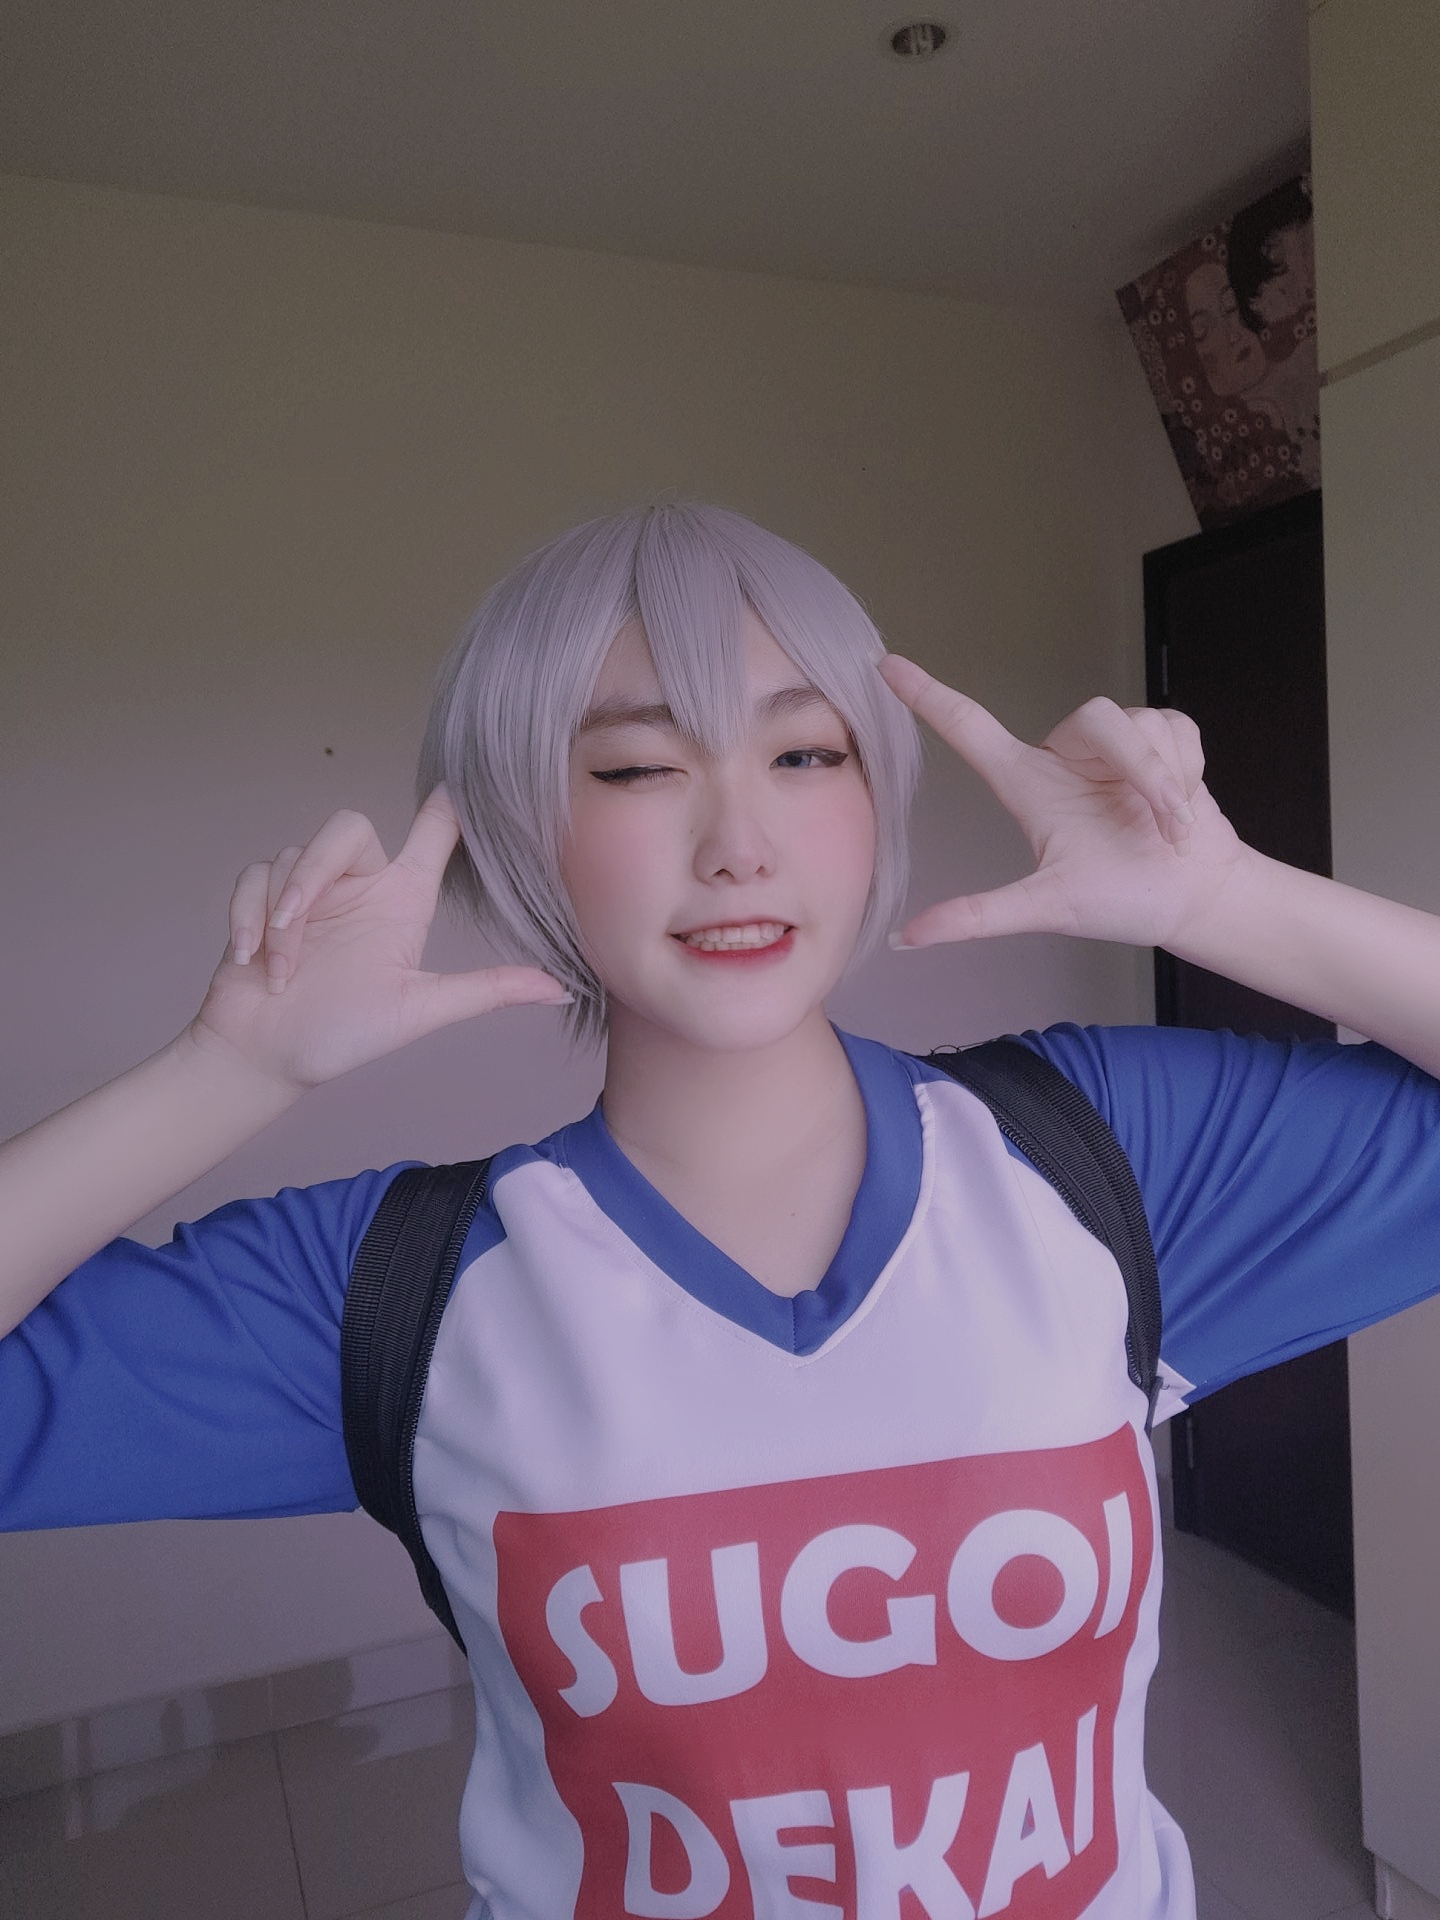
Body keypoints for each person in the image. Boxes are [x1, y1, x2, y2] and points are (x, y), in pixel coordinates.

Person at [5, 501, 1440, 1920]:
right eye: (637, 768)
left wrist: (1220, 897)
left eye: (804, 753)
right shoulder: (403, 1291)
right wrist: (230, 1068)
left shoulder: (1101, 1162)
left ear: (873, 796)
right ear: (523, 830)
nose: (739, 845)